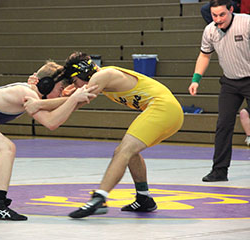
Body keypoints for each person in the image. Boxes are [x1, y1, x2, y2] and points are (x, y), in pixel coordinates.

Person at [25, 52, 184, 218]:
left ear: (83, 73)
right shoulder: (99, 78)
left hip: (163, 109)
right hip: (167, 110)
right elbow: (72, 101)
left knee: (122, 152)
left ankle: (100, 197)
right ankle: (144, 198)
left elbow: (74, 101)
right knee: (130, 152)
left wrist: (38, 104)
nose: (76, 86)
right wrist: (38, 92)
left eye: (74, 81)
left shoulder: (102, 76)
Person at [0, 61, 97, 221]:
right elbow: (51, 123)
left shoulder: (32, 91)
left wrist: (73, 98)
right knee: (6, 148)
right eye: (60, 90)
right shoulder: (26, 93)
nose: (61, 95)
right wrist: (73, 99)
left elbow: (54, 109)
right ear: (45, 84)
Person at [188, 0, 250, 182]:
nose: (218, 19)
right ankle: (219, 171)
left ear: (231, 10)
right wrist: (196, 80)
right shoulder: (210, 30)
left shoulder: (246, 22)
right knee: (223, 125)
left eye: (222, 14)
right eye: (214, 15)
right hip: (230, 83)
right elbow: (204, 55)